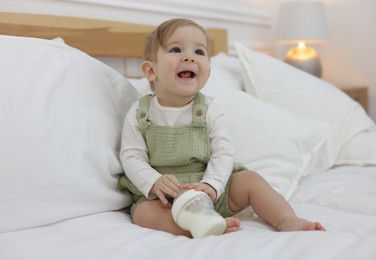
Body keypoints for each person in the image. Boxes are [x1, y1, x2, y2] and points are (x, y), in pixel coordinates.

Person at [119, 18, 325, 237]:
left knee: (250, 180)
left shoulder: (209, 109)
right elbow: (132, 157)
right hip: (168, 198)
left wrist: (212, 185)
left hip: (210, 189)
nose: (189, 57)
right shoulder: (140, 113)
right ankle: (197, 227)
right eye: (176, 49)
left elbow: (223, 152)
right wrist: (153, 182)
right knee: (143, 214)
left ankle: (286, 219)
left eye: (199, 52)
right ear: (151, 71)